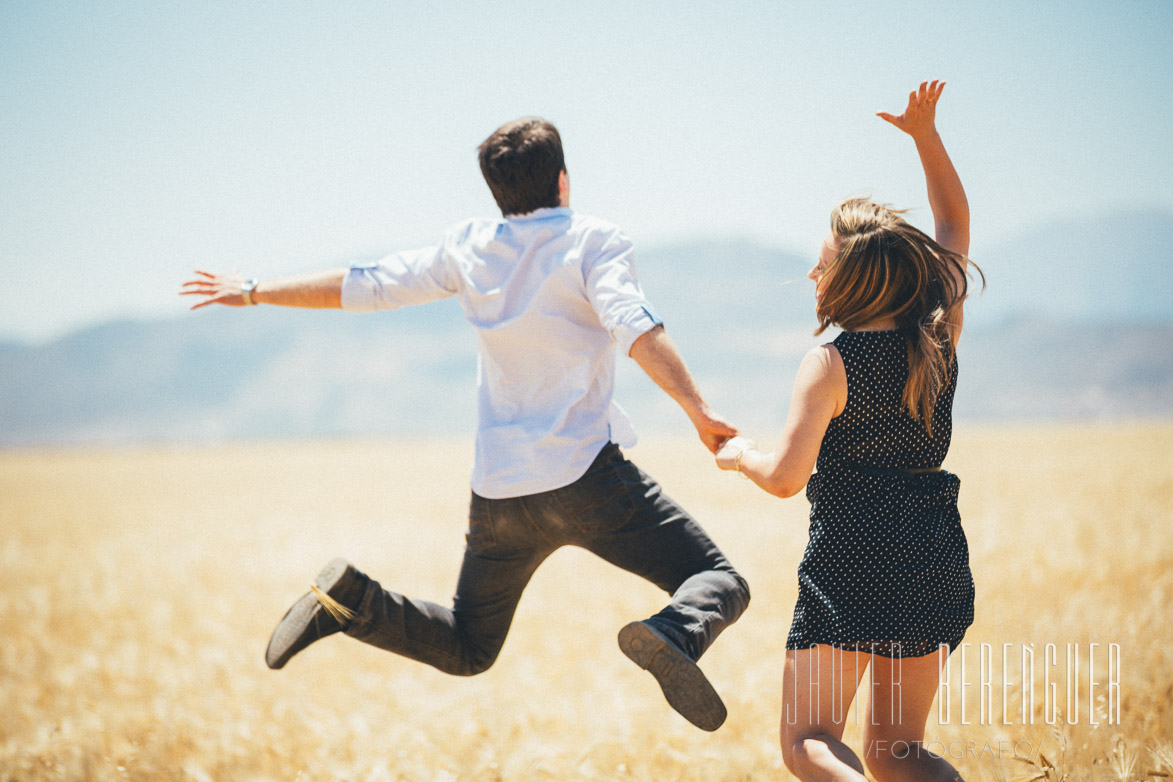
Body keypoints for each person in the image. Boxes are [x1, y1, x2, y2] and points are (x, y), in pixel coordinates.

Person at [180, 117, 750, 732]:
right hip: (586, 479)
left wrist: (257, 290)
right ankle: (671, 632)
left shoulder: (469, 247)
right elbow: (633, 326)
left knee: (468, 647)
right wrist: (698, 409)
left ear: (497, 191)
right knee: (719, 579)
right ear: (563, 179)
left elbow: (365, 284)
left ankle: (350, 603)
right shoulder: (592, 240)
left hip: (501, 492)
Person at [714, 81, 980, 781]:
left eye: (823, 262)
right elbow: (952, 223)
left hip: (852, 556)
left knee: (808, 740)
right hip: (932, 548)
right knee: (899, 752)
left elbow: (784, 479)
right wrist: (925, 136)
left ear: (852, 282)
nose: (811, 270)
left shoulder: (828, 363)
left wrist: (740, 455)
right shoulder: (938, 334)